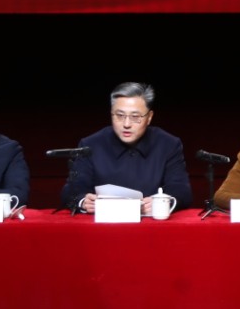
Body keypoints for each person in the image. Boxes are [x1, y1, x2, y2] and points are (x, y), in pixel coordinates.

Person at [59, 82, 192, 216]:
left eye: (135, 117)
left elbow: (181, 190)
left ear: (149, 117)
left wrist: (163, 202)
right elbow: (71, 190)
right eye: (120, 115)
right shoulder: (90, 144)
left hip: (150, 223)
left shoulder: (168, 144)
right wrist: (83, 201)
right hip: (105, 222)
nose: (126, 124)